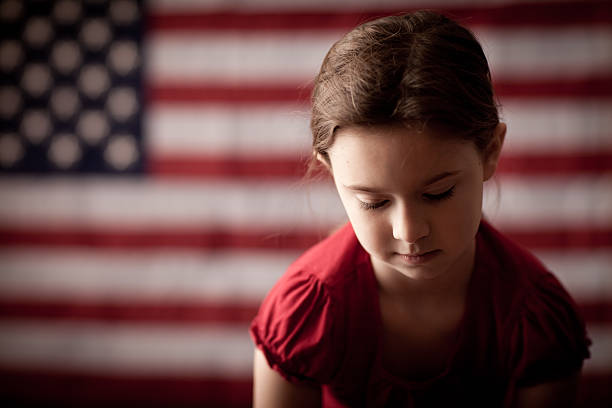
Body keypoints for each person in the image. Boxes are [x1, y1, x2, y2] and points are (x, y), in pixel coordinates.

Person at [250, 10, 590, 407]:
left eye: (438, 193)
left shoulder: (534, 317)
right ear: (330, 172)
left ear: (490, 151)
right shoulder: (306, 316)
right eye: (373, 202)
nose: (408, 232)